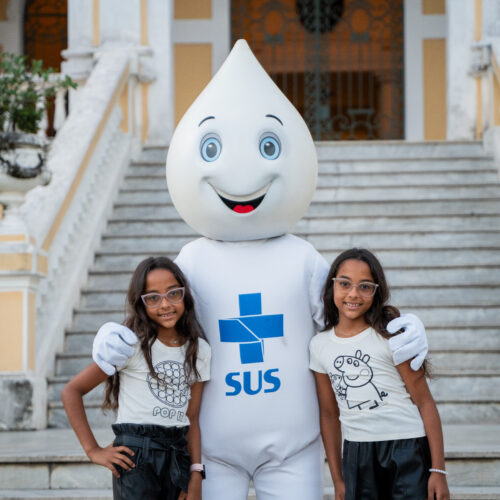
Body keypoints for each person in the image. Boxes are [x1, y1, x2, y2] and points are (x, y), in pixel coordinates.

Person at [91, 40, 429, 500]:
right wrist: (113, 335)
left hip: (296, 447)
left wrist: (401, 327)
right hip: (210, 449)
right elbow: (160, 313)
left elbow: (346, 316)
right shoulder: (190, 259)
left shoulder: (303, 256)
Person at [62, 257, 211, 500]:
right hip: (136, 460)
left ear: (185, 294)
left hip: (177, 456)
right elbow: (72, 391)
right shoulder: (130, 345)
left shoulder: (200, 350)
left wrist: (195, 473)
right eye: (153, 297)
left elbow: (192, 417)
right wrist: (93, 450)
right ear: (141, 304)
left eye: (173, 293)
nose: (165, 304)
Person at [310, 248, 449, 500]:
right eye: (345, 284)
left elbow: (425, 402)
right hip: (357, 453)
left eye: (365, 286)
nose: (353, 293)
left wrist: (438, 469)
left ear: (376, 291)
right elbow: (329, 415)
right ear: (332, 287)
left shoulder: (392, 336)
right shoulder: (319, 346)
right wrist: (338, 479)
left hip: (407, 447)